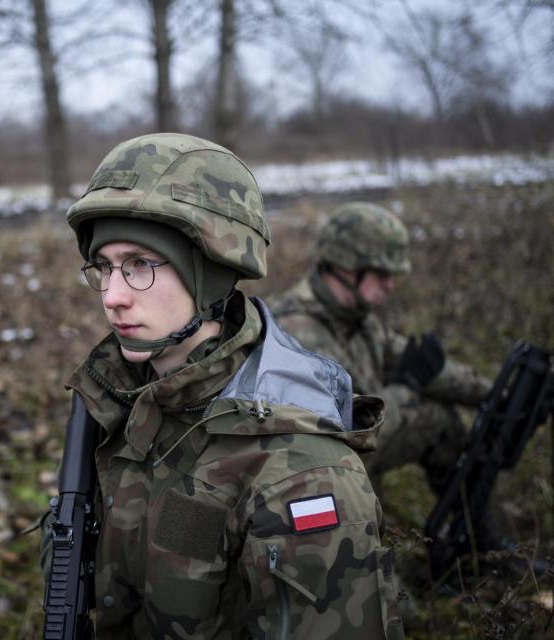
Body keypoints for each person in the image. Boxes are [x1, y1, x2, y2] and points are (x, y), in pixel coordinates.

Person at [43, 133, 404, 638]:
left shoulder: (301, 472)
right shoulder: (117, 403)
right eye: (103, 267)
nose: (113, 296)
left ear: (211, 274)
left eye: (140, 266)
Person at [270, 203, 491, 517]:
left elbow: (418, 366)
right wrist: (406, 389)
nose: (391, 284)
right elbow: (350, 436)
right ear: (347, 266)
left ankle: (471, 536)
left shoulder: (356, 318)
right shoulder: (299, 332)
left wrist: (495, 394)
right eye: (383, 273)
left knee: (440, 421)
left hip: (347, 465)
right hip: (307, 486)